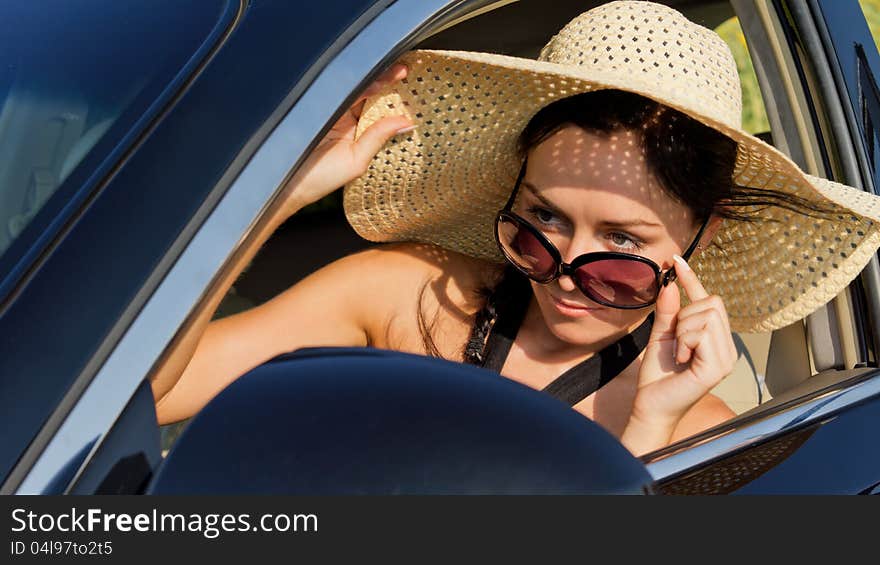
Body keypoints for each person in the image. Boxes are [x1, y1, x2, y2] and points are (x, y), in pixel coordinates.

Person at [150, 1, 880, 456]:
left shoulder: (701, 426)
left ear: (702, 237)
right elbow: (152, 392)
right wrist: (279, 199)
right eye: (541, 221)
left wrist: (649, 430)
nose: (564, 274)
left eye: (621, 246)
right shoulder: (408, 293)